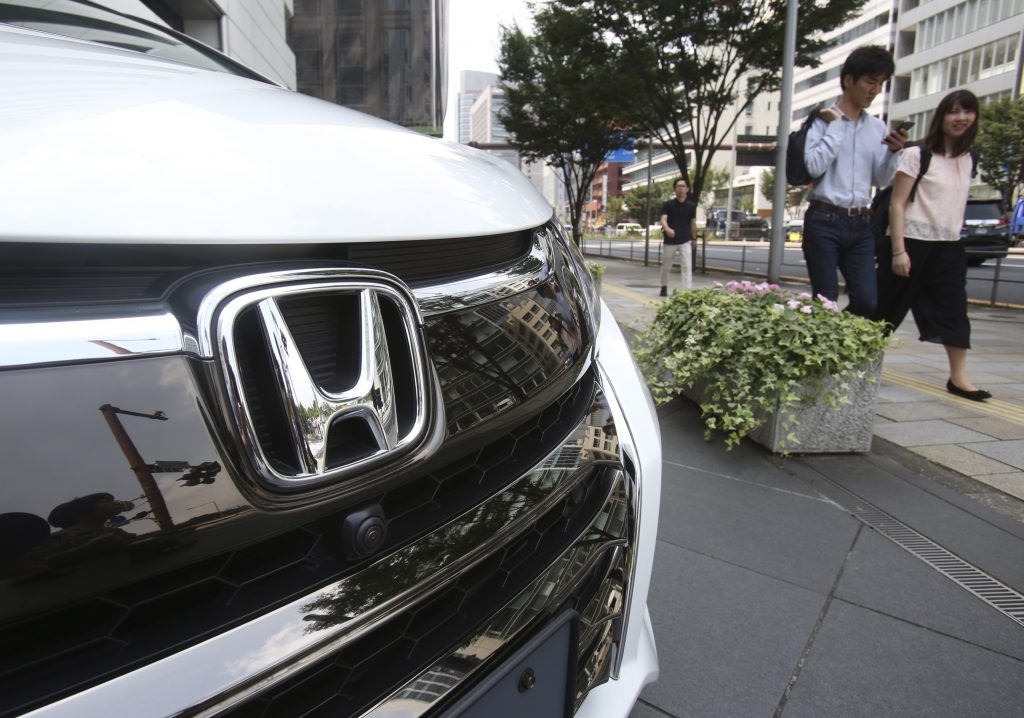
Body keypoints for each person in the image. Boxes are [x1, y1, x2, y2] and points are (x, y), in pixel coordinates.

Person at [874, 89, 991, 401]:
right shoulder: (917, 154)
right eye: (954, 111)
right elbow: (896, 204)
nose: (961, 118)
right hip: (910, 242)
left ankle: (958, 378)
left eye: (968, 112)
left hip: (948, 247)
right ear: (941, 117)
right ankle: (852, 365)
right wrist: (898, 251)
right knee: (885, 310)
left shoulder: (970, 159)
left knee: (954, 312)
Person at [803, 45, 909, 316]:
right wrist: (838, 125)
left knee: (867, 302)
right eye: (870, 81)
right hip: (824, 219)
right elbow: (814, 166)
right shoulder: (822, 120)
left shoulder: (876, 127)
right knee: (825, 303)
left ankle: (838, 345)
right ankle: (826, 352)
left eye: (881, 83)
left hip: (861, 223)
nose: (874, 90)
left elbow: (880, 178)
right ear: (849, 80)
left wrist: (894, 153)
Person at [659, 177, 697, 296]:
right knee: (666, 266)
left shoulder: (691, 206)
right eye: (678, 186)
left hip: (685, 240)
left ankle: (687, 291)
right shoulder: (668, 205)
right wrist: (667, 229)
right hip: (670, 240)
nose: (680, 189)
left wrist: (694, 238)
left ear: (687, 189)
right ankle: (664, 285)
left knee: (686, 265)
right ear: (674, 190)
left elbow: (693, 223)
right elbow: (663, 219)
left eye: (683, 186)